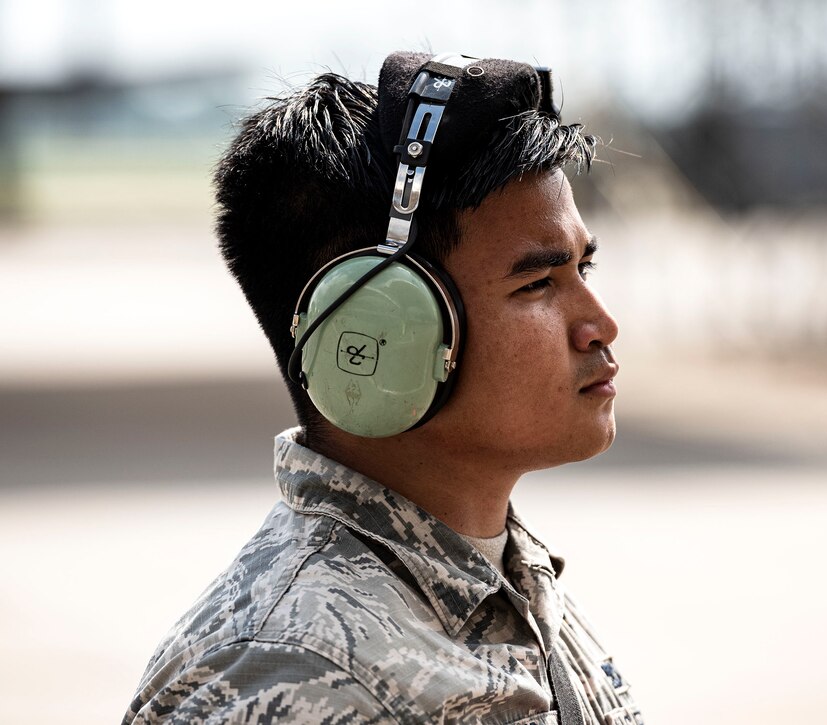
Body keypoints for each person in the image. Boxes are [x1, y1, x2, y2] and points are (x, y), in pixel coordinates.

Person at [123, 51, 642, 724]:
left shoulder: (504, 582)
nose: (600, 323)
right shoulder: (297, 675)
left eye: (584, 266)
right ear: (380, 333)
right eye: (539, 282)